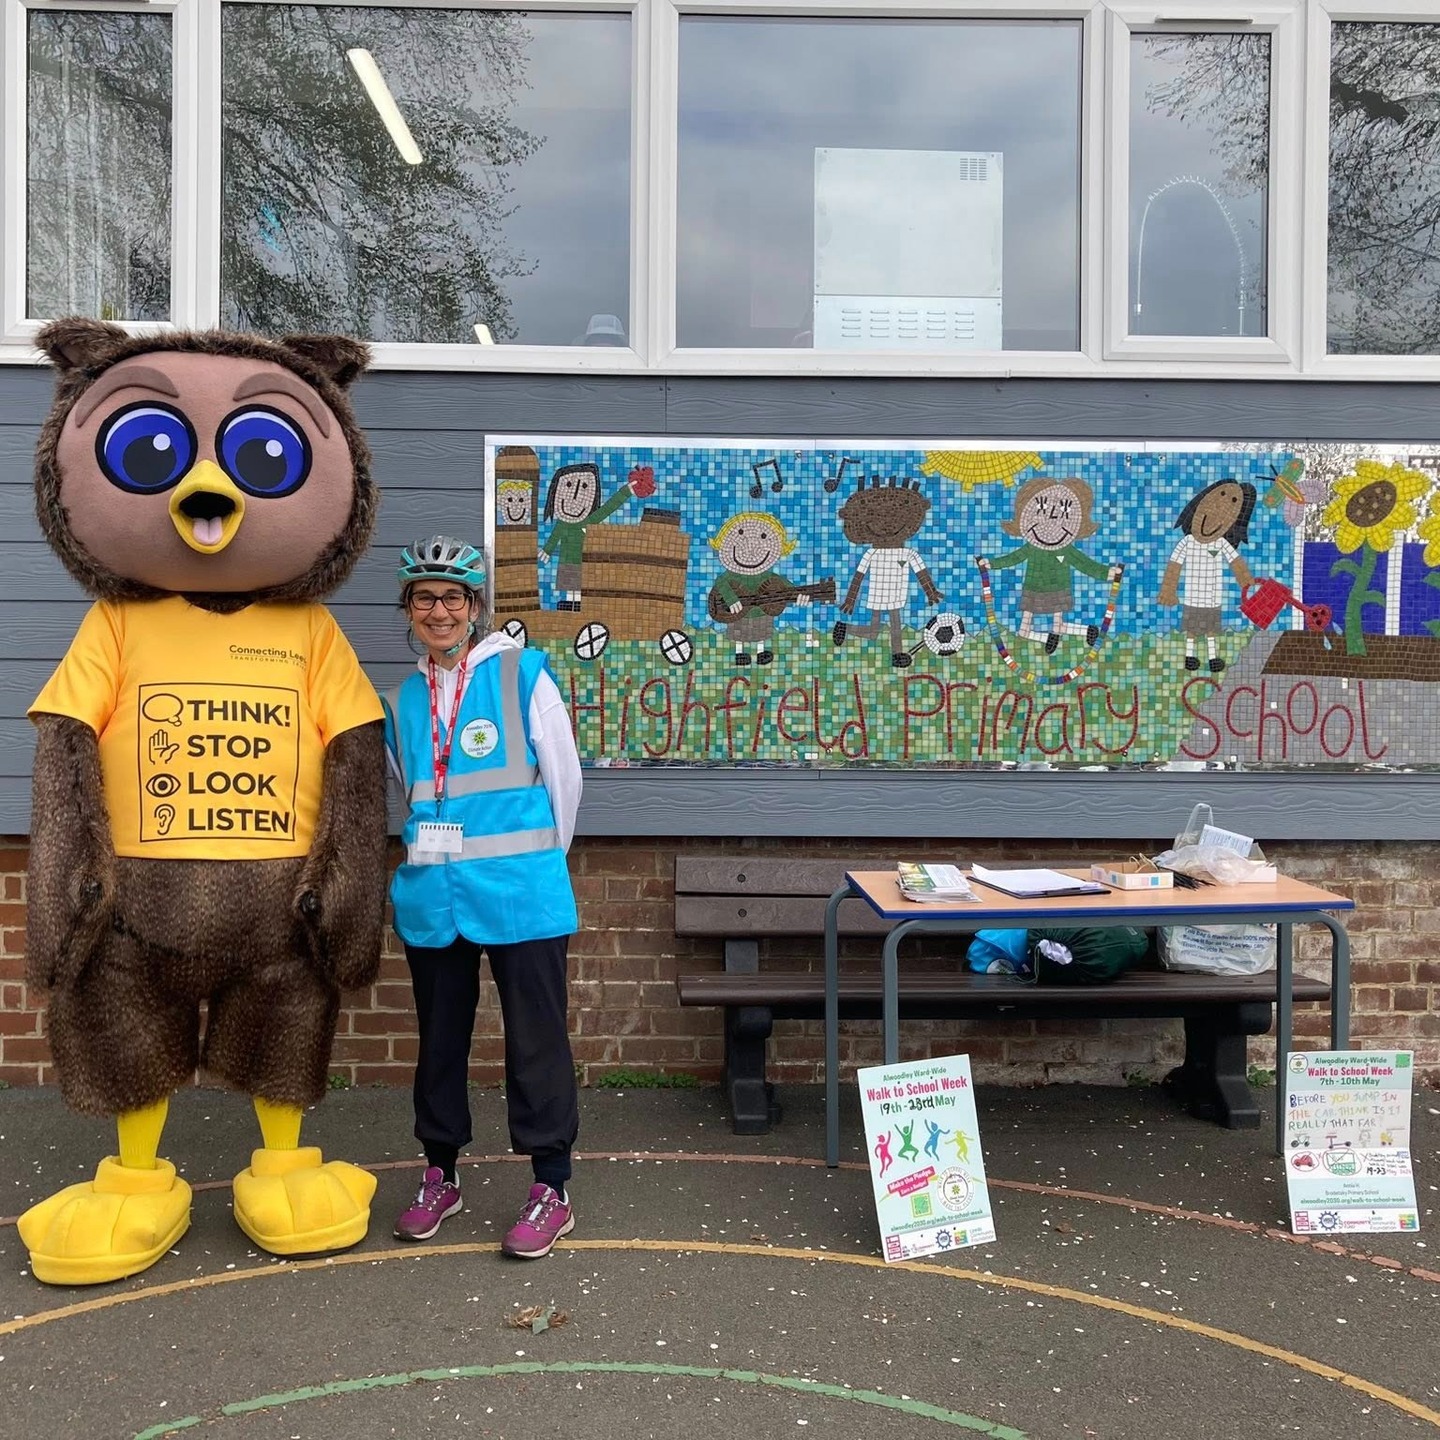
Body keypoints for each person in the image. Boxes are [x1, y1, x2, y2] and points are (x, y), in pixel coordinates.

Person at [382, 535, 583, 1259]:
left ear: (475, 608)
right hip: (435, 897)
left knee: (536, 1042)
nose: (439, 611)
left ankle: (550, 1185)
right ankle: (440, 1173)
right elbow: (412, 789)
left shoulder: (525, 674)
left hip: (521, 893)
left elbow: (565, 787)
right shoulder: (404, 697)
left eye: (453, 598)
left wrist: (533, 868)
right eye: (425, 598)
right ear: (408, 608)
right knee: (439, 1044)